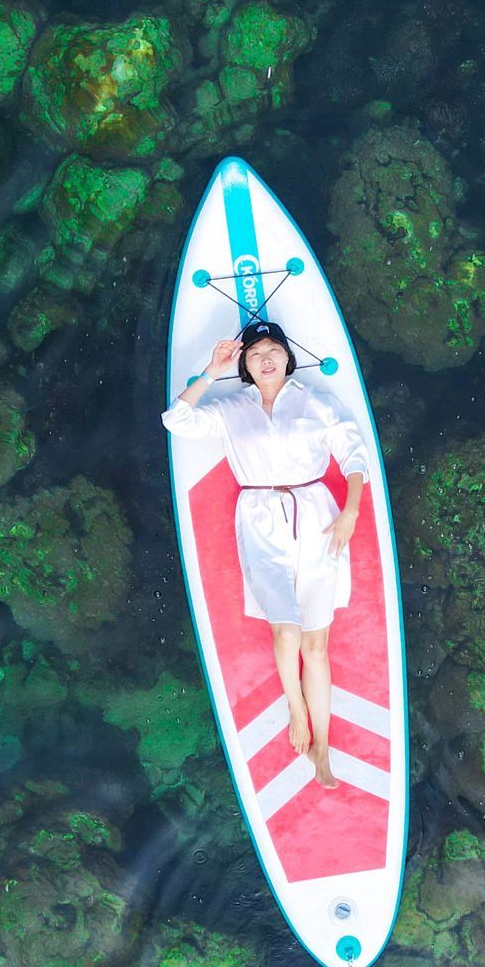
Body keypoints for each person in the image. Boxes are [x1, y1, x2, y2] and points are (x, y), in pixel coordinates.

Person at [161, 320, 372, 789]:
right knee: (286, 629)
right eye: (255, 354)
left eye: (274, 349)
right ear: (245, 366)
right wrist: (212, 370)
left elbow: (354, 454)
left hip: (316, 514)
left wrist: (351, 510)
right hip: (260, 519)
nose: (266, 359)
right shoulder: (231, 407)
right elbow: (176, 419)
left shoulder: (314, 401)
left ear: (288, 357)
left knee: (315, 642)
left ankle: (322, 748)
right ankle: (296, 707)